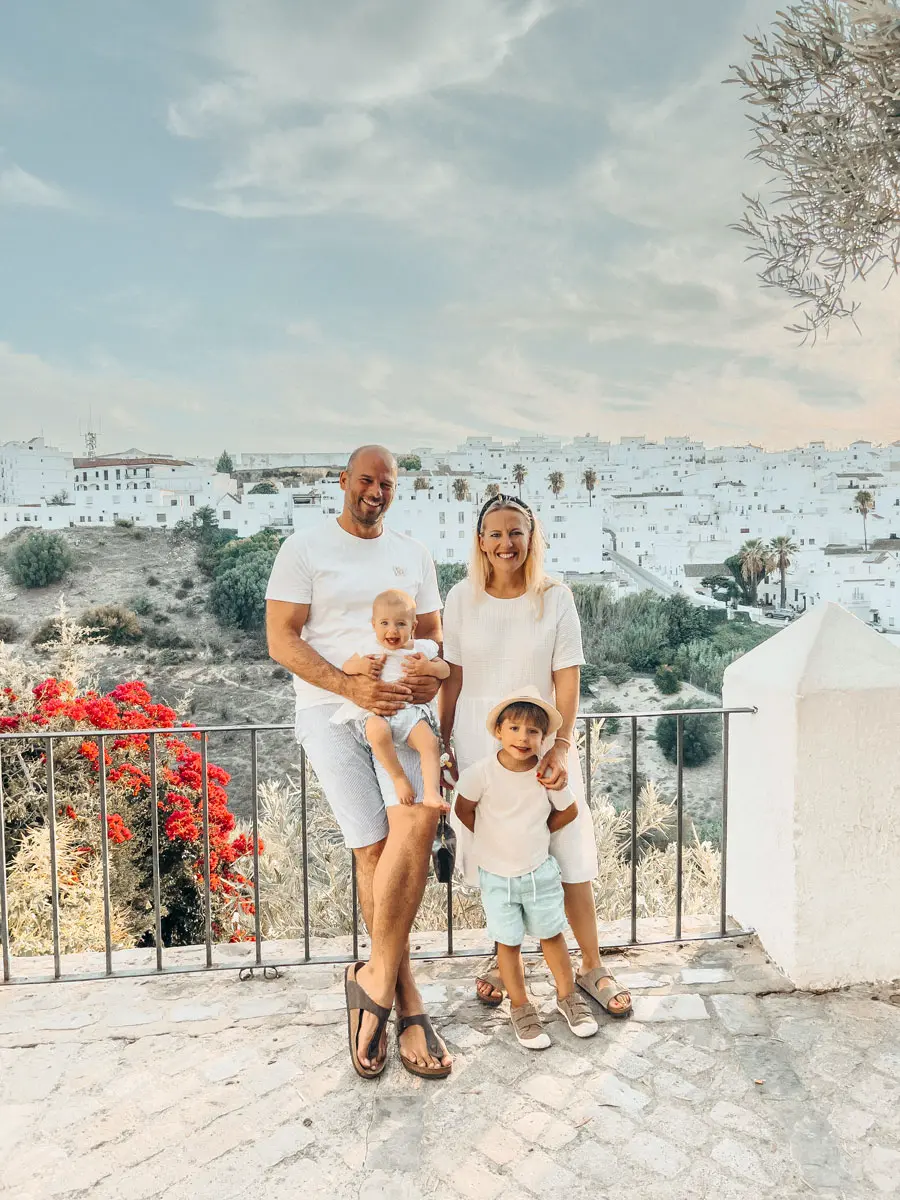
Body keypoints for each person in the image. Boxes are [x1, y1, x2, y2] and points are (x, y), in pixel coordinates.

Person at [265, 446, 452, 1080]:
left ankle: (371, 979)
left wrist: (428, 684)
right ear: (343, 482)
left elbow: (434, 637)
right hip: (329, 714)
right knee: (372, 849)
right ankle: (403, 1000)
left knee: (417, 824)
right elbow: (280, 637)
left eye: (386, 482)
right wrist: (349, 689)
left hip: (397, 713)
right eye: (365, 480)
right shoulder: (305, 549)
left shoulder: (414, 554)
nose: (375, 490)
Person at [439, 492, 632, 1019]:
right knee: (497, 851)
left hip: (543, 740)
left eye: (516, 532)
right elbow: (452, 679)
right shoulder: (459, 598)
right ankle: (504, 957)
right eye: (495, 533)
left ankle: (591, 965)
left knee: (567, 847)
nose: (506, 543)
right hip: (481, 743)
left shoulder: (556, 598)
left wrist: (563, 746)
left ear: (531, 538)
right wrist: (445, 743)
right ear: (480, 541)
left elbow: (567, 680)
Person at [455, 688, 599, 1048]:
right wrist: (492, 838)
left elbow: (568, 810)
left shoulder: (546, 773)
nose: (523, 737)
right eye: (515, 728)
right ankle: (521, 1008)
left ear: (543, 738)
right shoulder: (481, 774)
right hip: (497, 877)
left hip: (538, 873)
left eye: (533, 732)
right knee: (509, 942)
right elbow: (463, 810)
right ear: (498, 732)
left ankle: (567, 997)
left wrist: (537, 834)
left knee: (552, 935)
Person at [334, 588, 450, 810]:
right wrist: (362, 666)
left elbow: (444, 670)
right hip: (379, 712)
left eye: (400, 624)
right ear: (373, 625)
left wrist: (428, 667)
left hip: (410, 712)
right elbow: (347, 667)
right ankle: (398, 777)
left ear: (413, 626)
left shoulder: (422, 648)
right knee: (376, 732)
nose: (392, 630)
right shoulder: (369, 648)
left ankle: (431, 792)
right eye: (384, 623)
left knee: (430, 743)